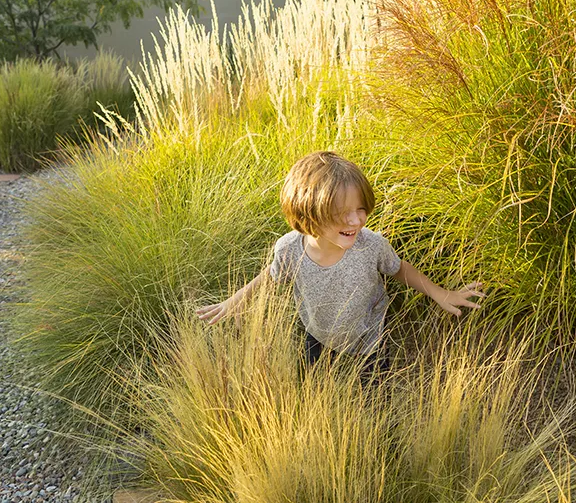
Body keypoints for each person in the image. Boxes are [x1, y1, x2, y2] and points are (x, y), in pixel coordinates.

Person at [195, 151, 485, 371]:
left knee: (372, 392)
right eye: (342, 212)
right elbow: (271, 276)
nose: (356, 220)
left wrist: (439, 292)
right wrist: (234, 301)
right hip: (317, 334)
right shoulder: (289, 250)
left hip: (369, 336)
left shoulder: (371, 245)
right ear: (308, 215)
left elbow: (399, 269)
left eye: (361, 208)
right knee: (318, 384)